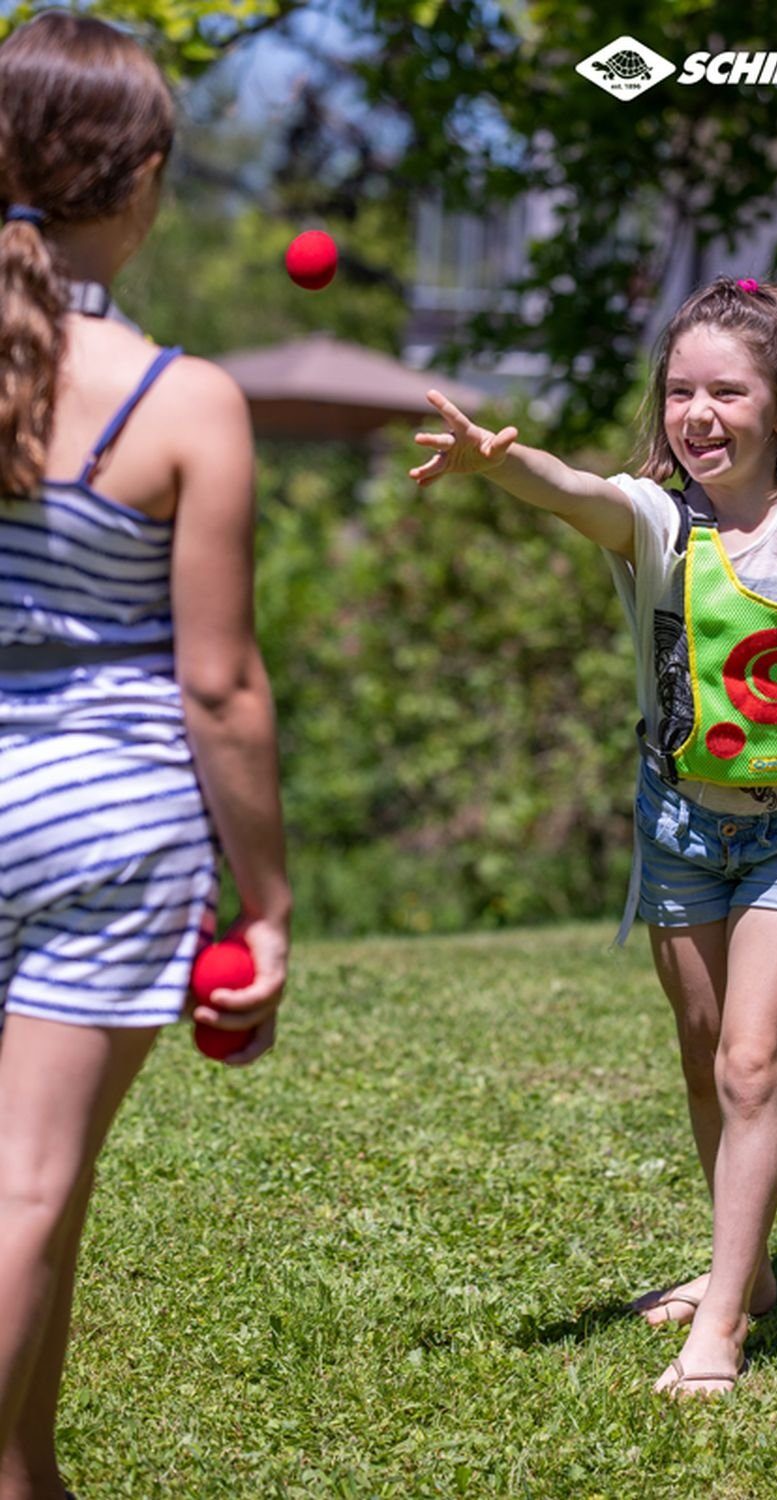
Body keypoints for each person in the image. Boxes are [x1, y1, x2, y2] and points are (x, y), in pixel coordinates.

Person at [410, 275, 777, 1399]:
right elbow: (573, 490)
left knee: (751, 1062)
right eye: (678, 391)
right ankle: (746, 1270)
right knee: (705, 1060)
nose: (696, 413)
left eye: (725, 390)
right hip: (677, 825)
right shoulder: (660, 524)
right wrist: (497, 464)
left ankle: (717, 1329)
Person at [0, 12, 290, 1495]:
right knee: (33, 1183)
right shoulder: (184, 402)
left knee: (43, 1192)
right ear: (140, 179)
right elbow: (222, 687)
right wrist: (272, 902)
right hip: (103, 821)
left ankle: (28, 1472)